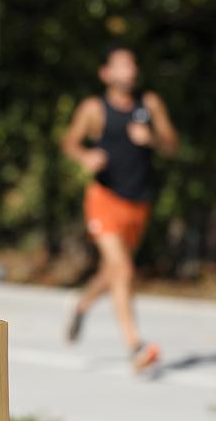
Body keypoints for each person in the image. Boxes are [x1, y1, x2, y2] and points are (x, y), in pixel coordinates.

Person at [60, 46, 179, 370]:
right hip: (104, 198)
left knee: (112, 273)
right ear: (106, 73)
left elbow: (172, 146)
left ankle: (82, 305)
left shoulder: (149, 104)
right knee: (124, 270)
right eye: (122, 64)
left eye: (133, 63)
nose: (130, 69)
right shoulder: (94, 108)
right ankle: (136, 347)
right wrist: (85, 156)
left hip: (138, 202)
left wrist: (151, 138)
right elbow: (69, 141)